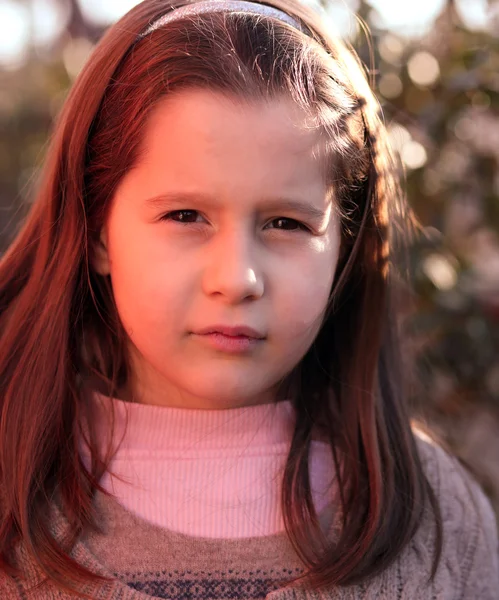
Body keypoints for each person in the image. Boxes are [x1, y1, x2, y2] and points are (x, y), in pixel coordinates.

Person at [0, 0, 497, 598]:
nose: (237, 279)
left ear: (344, 242)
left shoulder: (438, 522)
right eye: (186, 215)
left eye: (286, 224)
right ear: (96, 229)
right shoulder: (14, 499)